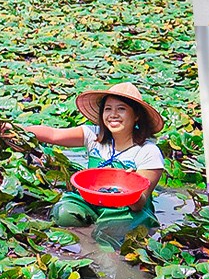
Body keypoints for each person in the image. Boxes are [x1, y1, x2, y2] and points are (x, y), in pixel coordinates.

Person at [24, 82, 166, 239]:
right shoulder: (94, 136)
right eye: (108, 109)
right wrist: (16, 130)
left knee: (110, 235)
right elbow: (53, 135)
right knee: (63, 214)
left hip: (126, 211)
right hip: (92, 201)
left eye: (121, 109)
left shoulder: (148, 152)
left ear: (136, 115)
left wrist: (131, 188)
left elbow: (139, 204)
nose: (113, 114)